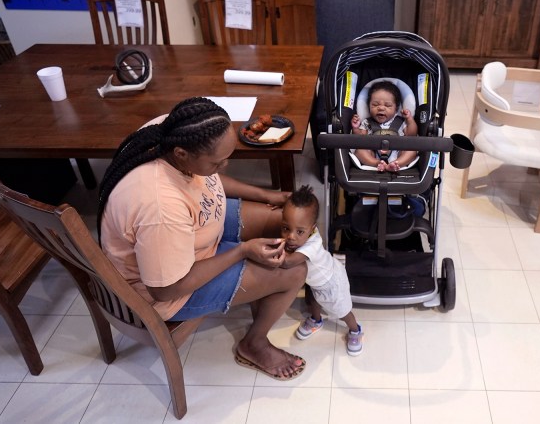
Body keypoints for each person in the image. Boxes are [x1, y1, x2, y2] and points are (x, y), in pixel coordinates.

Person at [97, 97, 308, 380]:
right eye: (218, 162)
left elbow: (209, 178)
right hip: (169, 290)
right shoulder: (160, 208)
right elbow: (166, 290)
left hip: (194, 232)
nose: (224, 166)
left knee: (281, 221)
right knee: (295, 271)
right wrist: (241, 251)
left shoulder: (170, 130)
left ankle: (259, 290)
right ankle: (254, 344)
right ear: (182, 155)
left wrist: (266, 194)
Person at [281, 185, 363, 355]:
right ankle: (316, 320)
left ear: (312, 229)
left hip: (331, 283)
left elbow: (288, 262)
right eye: (286, 228)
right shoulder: (305, 232)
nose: (291, 237)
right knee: (313, 302)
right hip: (316, 281)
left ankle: (355, 330)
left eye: (299, 231)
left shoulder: (310, 247)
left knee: (342, 311)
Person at [351, 80, 418, 171]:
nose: (381, 108)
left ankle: (395, 164)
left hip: (398, 153)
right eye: (375, 105)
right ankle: (377, 163)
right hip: (373, 154)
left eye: (388, 105)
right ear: (369, 106)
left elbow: (411, 134)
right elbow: (360, 138)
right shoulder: (367, 122)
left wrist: (409, 119)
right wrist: (355, 128)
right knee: (359, 151)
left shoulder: (400, 121)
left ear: (396, 108)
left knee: (412, 151)